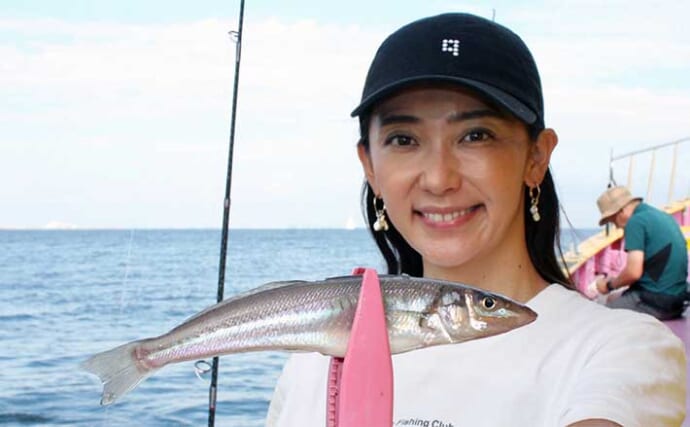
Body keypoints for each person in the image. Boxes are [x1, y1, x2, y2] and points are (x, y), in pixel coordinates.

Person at [266, 13, 686, 426]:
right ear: (370, 166)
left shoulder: (623, 351)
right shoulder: (311, 362)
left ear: (536, 156)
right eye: (403, 139)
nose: (438, 179)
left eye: (475, 135)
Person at [594, 185, 689, 320]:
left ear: (621, 211)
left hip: (656, 303)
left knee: (600, 317)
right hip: (678, 302)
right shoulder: (663, 216)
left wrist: (608, 285)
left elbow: (633, 272)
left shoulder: (635, 222)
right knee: (614, 298)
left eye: (613, 221)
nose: (617, 227)